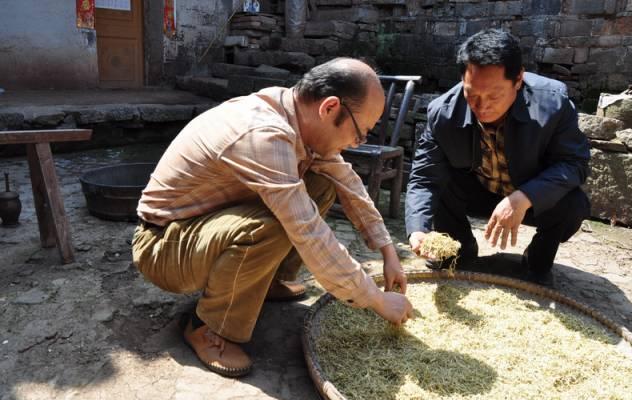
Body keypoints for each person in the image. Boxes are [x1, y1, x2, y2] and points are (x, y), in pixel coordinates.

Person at [132, 58, 414, 378]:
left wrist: (388, 251)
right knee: (279, 221)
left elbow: (348, 182)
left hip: (199, 229)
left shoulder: (296, 115)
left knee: (322, 184)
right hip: (163, 246)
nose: (356, 143)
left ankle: (267, 281)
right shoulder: (265, 133)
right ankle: (208, 328)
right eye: (360, 132)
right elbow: (308, 231)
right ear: (330, 108)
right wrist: (376, 300)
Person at [405, 29, 590, 284]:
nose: (482, 107)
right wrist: (417, 230)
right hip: (479, 192)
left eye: (494, 96)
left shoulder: (553, 104)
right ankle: (459, 250)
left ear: (518, 80)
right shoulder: (443, 113)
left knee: (573, 204)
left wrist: (524, 197)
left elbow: (574, 163)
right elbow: (424, 178)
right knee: (442, 183)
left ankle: (537, 260)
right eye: (472, 95)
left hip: (530, 199)